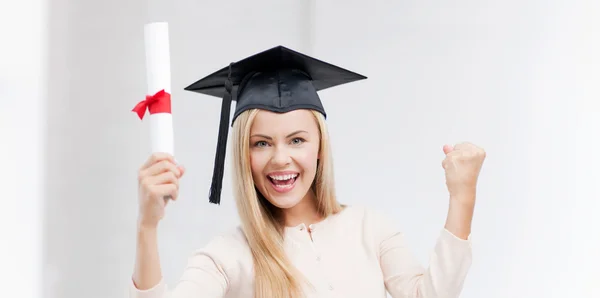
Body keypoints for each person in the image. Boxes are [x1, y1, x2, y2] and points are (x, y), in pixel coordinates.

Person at [129, 46, 486, 298]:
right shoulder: (228, 256)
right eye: (261, 143)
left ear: (319, 148)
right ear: (242, 155)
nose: (280, 158)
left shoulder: (370, 229)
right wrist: (147, 226)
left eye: (297, 140)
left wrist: (462, 197)